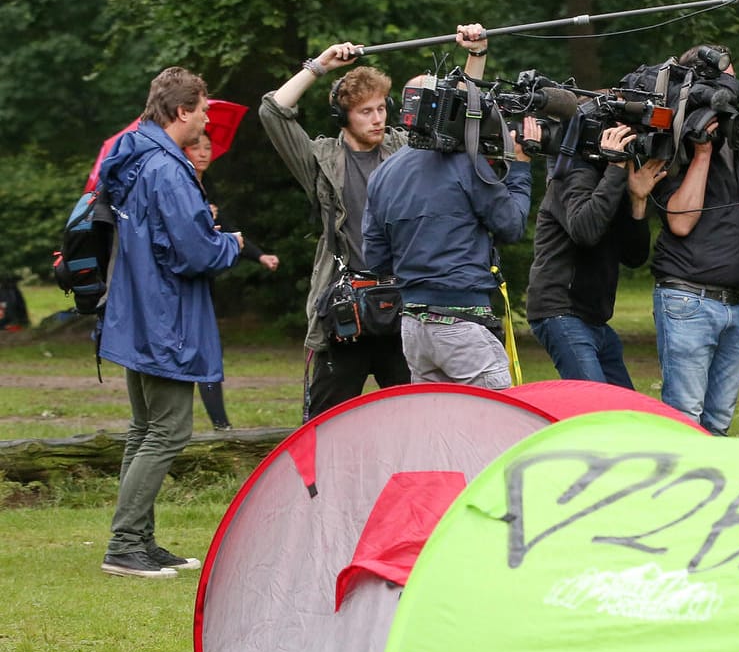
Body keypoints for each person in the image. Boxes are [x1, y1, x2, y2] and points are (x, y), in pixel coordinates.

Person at [262, 28, 489, 418]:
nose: (378, 118)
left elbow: (459, 121)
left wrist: (476, 54)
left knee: (415, 416)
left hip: (405, 304)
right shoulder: (320, 158)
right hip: (345, 305)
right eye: (366, 111)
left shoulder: (406, 148)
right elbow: (273, 111)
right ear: (343, 116)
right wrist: (320, 65)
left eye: (382, 108)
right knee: (323, 422)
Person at [95, 67, 242, 578]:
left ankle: (140, 538)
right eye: (202, 109)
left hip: (134, 309)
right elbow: (196, 252)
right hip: (165, 316)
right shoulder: (167, 168)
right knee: (170, 430)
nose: (206, 118)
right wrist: (231, 243)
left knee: (144, 428)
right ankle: (124, 543)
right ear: (182, 112)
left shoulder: (134, 156)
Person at [653, 43, 739, 435]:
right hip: (688, 298)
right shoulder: (673, 140)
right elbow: (680, 222)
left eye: (731, 76)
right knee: (684, 417)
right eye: (717, 80)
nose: (728, 88)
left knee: (717, 422)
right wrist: (701, 153)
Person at [361, 80, 537, 390]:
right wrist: (520, 167)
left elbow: (376, 260)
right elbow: (510, 225)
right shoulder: (466, 165)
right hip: (463, 324)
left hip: (413, 328)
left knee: (440, 428)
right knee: (498, 420)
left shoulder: (383, 174)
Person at [525, 118, 668, 388]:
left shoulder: (612, 181)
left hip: (595, 319)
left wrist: (638, 200)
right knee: (596, 408)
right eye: (624, 136)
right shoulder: (572, 175)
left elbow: (634, 257)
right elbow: (585, 230)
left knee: (625, 411)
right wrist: (615, 167)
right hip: (561, 311)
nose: (631, 145)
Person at [184, 128, 280, 429]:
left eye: (208, 148)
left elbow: (227, 232)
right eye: (196, 147)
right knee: (200, 353)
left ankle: (220, 426)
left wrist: (259, 255)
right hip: (183, 287)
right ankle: (200, 425)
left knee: (206, 351)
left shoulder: (204, 189)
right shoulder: (179, 188)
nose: (203, 153)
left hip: (203, 283)